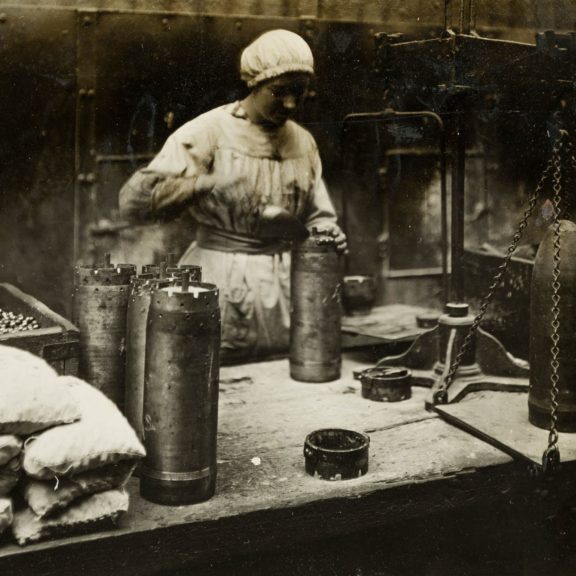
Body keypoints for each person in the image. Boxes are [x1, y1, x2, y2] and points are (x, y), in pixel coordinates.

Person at [119, 29, 347, 361]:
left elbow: (318, 214)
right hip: (219, 279)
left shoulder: (302, 142)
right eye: (279, 92)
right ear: (254, 84)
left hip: (285, 286)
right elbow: (134, 201)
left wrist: (328, 233)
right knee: (211, 376)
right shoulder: (209, 131)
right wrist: (203, 183)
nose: (290, 104)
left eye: (299, 92)